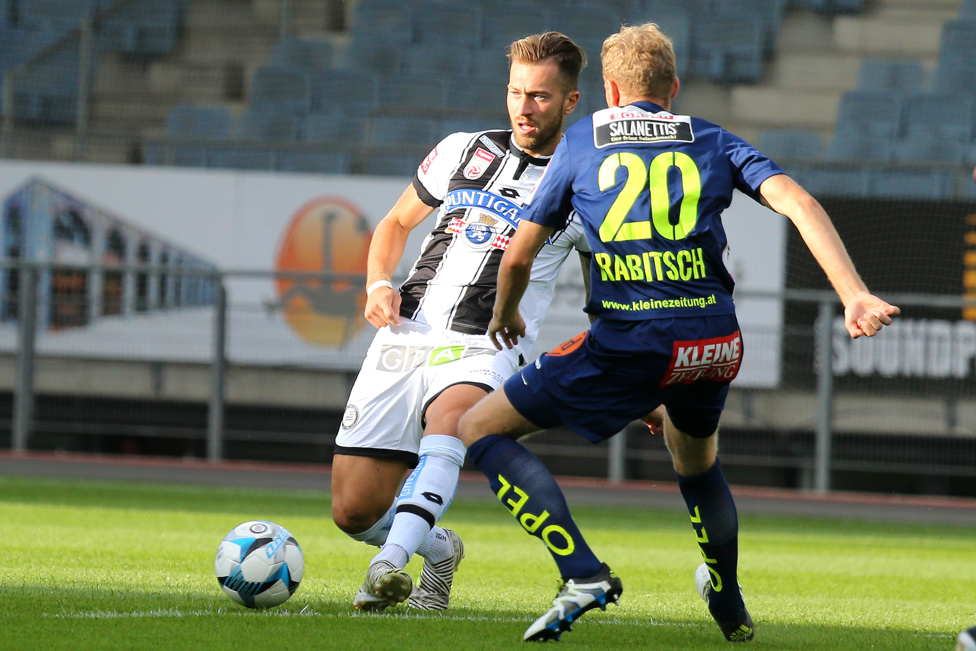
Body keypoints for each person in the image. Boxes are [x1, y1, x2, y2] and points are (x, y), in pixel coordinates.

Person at [457, 23, 900, 642]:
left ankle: (582, 573)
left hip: (634, 339)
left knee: (477, 427)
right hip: (715, 341)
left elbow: (518, 258)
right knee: (695, 459)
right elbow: (799, 201)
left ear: (609, 89)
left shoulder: (583, 141)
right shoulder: (713, 139)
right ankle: (727, 597)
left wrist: (506, 313)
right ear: (674, 88)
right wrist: (853, 294)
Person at [331, 32, 591, 612]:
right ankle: (438, 549)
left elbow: (614, 290)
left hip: (487, 342)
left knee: (450, 423)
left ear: (570, 102)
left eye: (542, 97)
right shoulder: (461, 149)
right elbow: (395, 225)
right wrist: (378, 283)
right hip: (409, 333)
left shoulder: (586, 183)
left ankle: (386, 568)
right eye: (517, 93)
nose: (525, 108)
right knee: (352, 511)